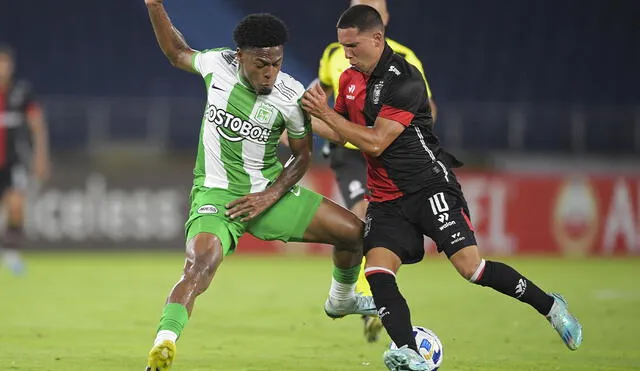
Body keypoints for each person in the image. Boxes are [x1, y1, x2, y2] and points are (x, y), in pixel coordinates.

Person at [302, 5, 583, 371]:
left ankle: (550, 305)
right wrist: (301, 120)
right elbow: (341, 132)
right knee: (377, 272)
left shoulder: (406, 79)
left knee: (472, 269)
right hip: (386, 198)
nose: (347, 53)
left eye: (352, 46)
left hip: (429, 187)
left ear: (376, 38)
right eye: (342, 46)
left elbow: (373, 143)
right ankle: (408, 352)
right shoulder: (350, 80)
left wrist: (324, 114)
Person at [143, 1, 377, 370]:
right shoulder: (217, 65)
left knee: (356, 233)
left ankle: (342, 299)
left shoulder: (289, 95)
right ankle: (164, 343)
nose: (270, 73)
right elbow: (176, 52)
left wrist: (268, 195)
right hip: (217, 195)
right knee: (200, 264)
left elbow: (302, 156)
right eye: (261, 64)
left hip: (270, 191)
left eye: (276, 63)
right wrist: (154, 5)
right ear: (240, 57)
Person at [313, 0, 437, 343]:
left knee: (377, 219)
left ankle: (372, 297)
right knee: (362, 212)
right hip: (348, 150)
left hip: (384, 151)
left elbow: (426, 108)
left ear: (382, 22)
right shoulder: (334, 53)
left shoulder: (405, 60)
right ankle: (367, 298)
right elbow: (322, 89)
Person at [0, 44, 50, 275]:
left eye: (5, 63)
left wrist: (41, 157)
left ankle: (11, 255)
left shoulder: (21, 93)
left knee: (16, 205)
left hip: (13, 161)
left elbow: (37, 126)